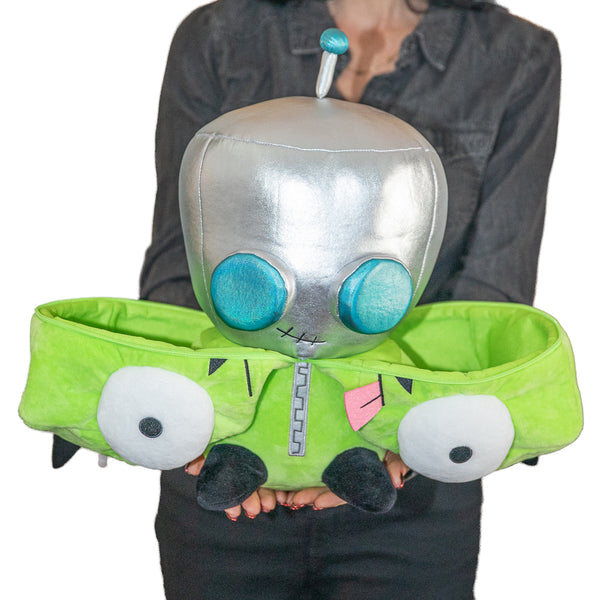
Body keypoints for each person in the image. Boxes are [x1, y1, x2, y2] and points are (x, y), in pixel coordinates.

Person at [140, 0, 560, 597]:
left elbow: (492, 293)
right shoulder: (220, 35)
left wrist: (392, 439)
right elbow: (178, 262)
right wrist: (216, 426)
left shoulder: (516, 56)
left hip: (408, 484)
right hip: (224, 472)